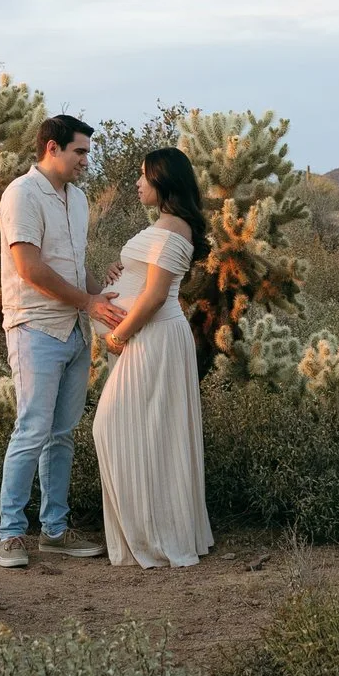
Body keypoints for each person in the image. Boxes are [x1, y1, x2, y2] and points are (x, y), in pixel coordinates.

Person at [0, 114, 121, 569]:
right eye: (79, 152)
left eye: (87, 152)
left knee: (62, 435)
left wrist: (99, 300)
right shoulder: (22, 194)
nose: (86, 161)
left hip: (74, 331)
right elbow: (28, 266)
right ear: (52, 148)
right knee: (31, 430)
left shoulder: (79, 199)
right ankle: (10, 534)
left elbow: (73, 264)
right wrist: (87, 303)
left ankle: (54, 530)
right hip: (34, 327)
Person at [91, 146, 215, 568]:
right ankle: (151, 529)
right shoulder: (166, 227)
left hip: (151, 339)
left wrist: (118, 335)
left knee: (114, 426)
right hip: (149, 339)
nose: (137, 183)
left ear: (162, 180)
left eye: (143, 175)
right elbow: (146, 277)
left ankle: (155, 535)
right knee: (150, 431)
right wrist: (120, 270)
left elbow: (157, 295)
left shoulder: (173, 228)